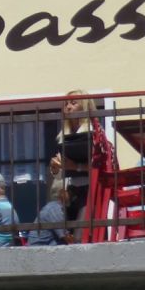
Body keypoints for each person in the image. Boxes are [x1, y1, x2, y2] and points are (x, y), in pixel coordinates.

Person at [48, 92, 94, 223]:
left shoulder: (93, 133)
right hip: (71, 190)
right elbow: (61, 172)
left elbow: (99, 166)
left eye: (73, 103)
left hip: (89, 189)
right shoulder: (62, 135)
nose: (68, 107)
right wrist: (55, 167)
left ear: (84, 108)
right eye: (66, 103)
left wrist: (75, 167)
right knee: (69, 234)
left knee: (81, 233)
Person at [27, 177, 71, 246]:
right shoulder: (55, 209)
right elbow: (65, 236)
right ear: (62, 193)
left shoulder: (55, 206)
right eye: (69, 190)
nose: (71, 193)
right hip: (39, 248)